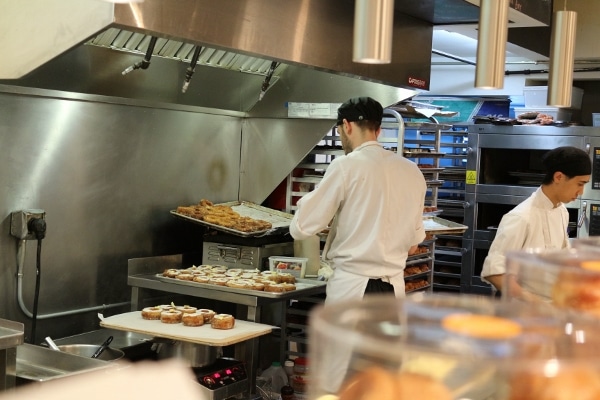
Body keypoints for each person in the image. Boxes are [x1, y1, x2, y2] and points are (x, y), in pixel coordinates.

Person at [289, 96, 427, 304]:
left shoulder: (345, 166)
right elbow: (413, 246)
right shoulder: (412, 171)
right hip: (394, 292)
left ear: (346, 126)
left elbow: (302, 227)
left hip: (352, 291)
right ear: (378, 130)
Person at [481, 145, 592, 296]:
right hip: (521, 311)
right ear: (558, 177)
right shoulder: (521, 217)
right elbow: (494, 273)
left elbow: (562, 259)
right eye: (580, 184)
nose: (581, 192)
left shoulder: (561, 211)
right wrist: (532, 302)